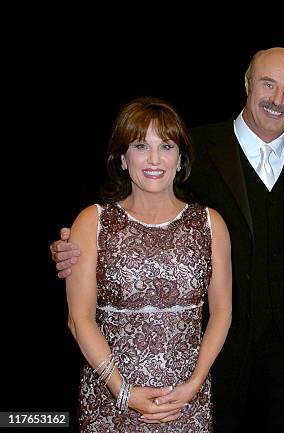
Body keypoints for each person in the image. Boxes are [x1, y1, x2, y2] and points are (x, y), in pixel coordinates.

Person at [53, 47, 284, 433]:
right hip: (210, 361)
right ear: (248, 83)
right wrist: (71, 247)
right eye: (268, 84)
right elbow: (128, 218)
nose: (278, 99)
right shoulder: (193, 148)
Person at [65, 97, 232, 431]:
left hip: (186, 402)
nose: (154, 159)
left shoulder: (210, 224)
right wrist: (123, 392)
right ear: (123, 159)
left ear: (181, 158)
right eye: (141, 146)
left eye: (166, 146)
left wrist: (194, 386)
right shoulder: (92, 221)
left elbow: (222, 312)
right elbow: (78, 319)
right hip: (110, 403)